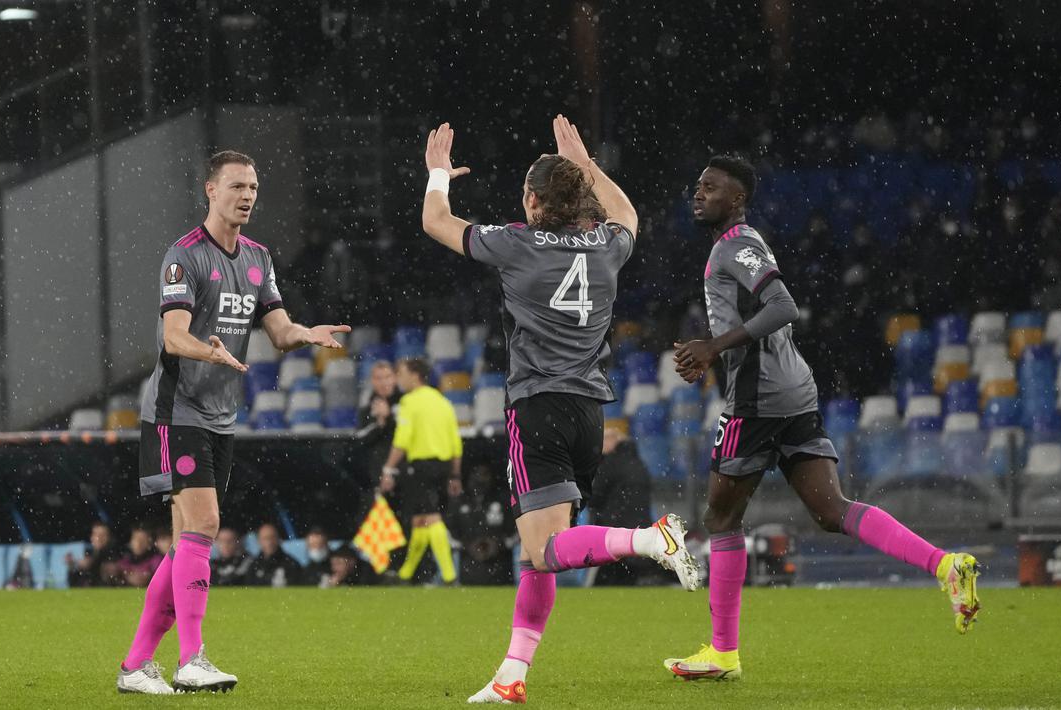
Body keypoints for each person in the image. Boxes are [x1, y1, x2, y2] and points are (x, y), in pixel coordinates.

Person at [663, 156, 981, 681]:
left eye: (711, 187)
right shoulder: (744, 242)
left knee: (721, 519)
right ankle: (947, 566)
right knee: (832, 510)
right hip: (793, 390)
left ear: (736, 199)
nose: (698, 194)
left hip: (758, 400)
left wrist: (714, 347)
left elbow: (783, 306)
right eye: (697, 185)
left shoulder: (737, 245)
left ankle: (723, 652)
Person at [419, 116, 700, 705]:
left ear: (533, 201)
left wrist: (439, 173)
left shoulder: (518, 243)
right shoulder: (607, 246)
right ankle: (511, 676)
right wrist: (589, 162)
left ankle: (652, 542)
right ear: (583, 202)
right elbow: (628, 216)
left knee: (545, 549)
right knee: (539, 557)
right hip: (588, 413)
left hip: (538, 406)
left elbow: (435, 222)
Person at [119, 150, 350, 695]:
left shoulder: (258, 258)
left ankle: (135, 667)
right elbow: (173, 336)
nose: (247, 195)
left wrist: (306, 333)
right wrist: (211, 354)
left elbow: (279, 329)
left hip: (220, 417)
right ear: (210, 190)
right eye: (237, 186)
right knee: (203, 525)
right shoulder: (184, 256)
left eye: (254, 186)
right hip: (177, 411)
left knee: (185, 545)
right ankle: (191, 658)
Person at [378, 358, 463, 585]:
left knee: (431, 517)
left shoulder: (409, 402)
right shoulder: (443, 402)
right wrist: (455, 475)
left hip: (420, 466)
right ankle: (406, 574)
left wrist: (388, 468)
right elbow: (456, 443)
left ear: (415, 375)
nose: (398, 378)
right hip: (443, 465)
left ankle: (449, 576)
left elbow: (402, 440)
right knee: (420, 520)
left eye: (401, 373)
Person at [588, 429, 658, 587]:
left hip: (615, 528)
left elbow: (595, 497)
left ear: (614, 440)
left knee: (606, 582)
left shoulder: (610, 463)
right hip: (639, 530)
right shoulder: (640, 463)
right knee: (631, 579)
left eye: (604, 439)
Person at [66, 521, 121, 588]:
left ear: (110, 538)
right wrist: (72, 567)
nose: (98, 538)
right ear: (91, 537)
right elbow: (73, 586)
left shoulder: (116, 557)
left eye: (103, 535)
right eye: (95, 534)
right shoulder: (88, 556)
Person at [247, 523, 303, 587]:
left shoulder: (291, 564)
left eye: (272, 537)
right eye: (265, 538)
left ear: (278, 539)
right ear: (259, 541)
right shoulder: (253, 566)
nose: (269, 542)